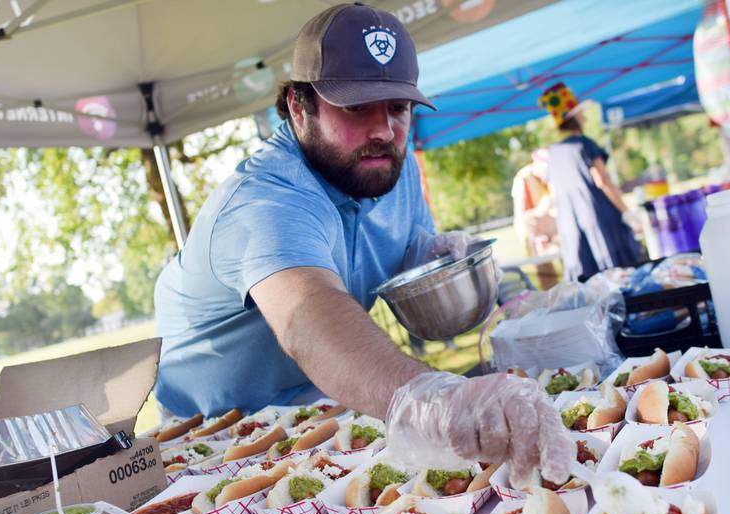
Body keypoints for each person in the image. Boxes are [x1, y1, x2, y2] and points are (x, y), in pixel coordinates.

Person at [153, 3, 572, 485]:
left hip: (326, 412)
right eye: (355, 108)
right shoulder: (265, 201)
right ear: (298, 107)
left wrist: (446, 265)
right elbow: (309, 315)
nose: (382, 132)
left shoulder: (392, 164)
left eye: (397, 108)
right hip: (215, 442)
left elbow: (407, 267)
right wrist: (435, 396)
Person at [539, 82, 642, 281]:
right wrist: (627, 212)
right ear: (575, 118)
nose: (584, 117)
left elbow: (552, 194)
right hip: (601, 220)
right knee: (620, 279)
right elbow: (602, 180)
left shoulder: (552, 154)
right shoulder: (584, 144)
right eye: (581, 114)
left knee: (590, 286)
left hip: (571, 228)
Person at [510, 148, 559, 289]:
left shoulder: (550, 175)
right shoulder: (523, 178)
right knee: (547, 275)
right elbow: (521, 214)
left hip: (554, 229)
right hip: (535, 233)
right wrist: (540, 211)